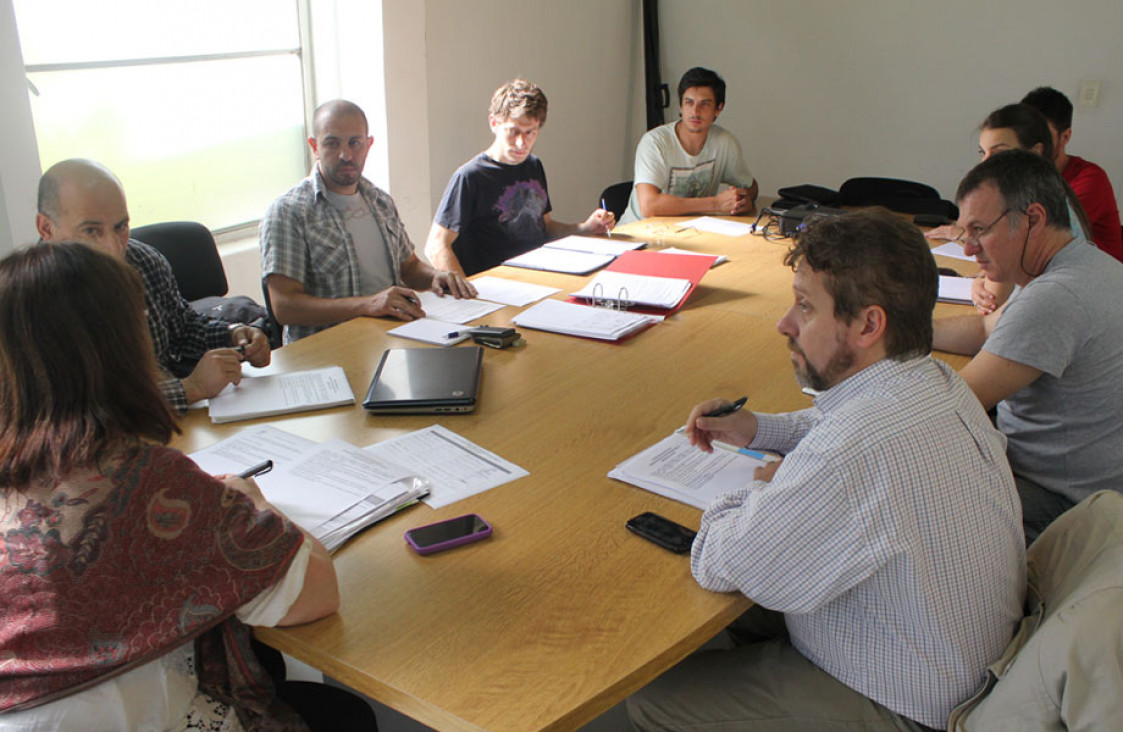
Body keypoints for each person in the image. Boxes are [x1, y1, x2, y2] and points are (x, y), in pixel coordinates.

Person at [627, 208, 1025, 731]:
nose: (784, 324)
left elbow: (720, 560)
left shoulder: (851, 452)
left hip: (909, 706)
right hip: (955, 654)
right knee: (747, 611)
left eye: (805, 307)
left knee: (653, 697)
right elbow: (840, 426)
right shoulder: (936, 382)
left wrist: (764, 490)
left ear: (868, 324)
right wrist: (760, 430)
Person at [0, 242, 375, 730]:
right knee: (344, 715)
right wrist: (250, 500)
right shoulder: (154, 487)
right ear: (120, 352)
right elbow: (315, 595)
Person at [932, 150, 1123, 542]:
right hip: (1081, 480)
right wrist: (903, 331)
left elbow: (948, 409)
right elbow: (988, 329)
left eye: (980, 230)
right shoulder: (1082, 264)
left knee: (900, 501)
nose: (968, 249)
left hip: (1061, 503)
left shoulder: (1056, 297)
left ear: (1033, 219)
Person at [35, 159, 271, 414]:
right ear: (46, 228)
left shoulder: (143, 260)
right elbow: (81, 409)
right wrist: (190, 388)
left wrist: (235, 335)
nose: (114, 248)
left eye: (120, 227)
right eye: (91, 231)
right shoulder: (28, 300)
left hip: (176, 425)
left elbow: (182, 330)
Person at [261, 99, 475, 343]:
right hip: (327, 350)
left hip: (394, 337)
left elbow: (408, 267)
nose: (346, 155)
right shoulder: (288, 212)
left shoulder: (380, 201)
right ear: (314, 146)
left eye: (355, 143)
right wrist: (367, 305)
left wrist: (435, 276)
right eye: (332, 143)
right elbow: (285, 307)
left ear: (368, 144)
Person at [424, 78, 615, 276]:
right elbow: (436, 246)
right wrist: (466, 293)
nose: (521, 142)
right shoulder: (470, 177)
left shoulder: (533, 165)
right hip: (495, 285)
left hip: (538, 275)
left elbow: (545, 228)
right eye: (513, 132)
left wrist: (586, 227)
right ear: (494, 123)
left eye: (530, 132)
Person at [926, 103, 1093, 314]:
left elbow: (991, 304)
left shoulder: (1025, 208)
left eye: (999, 153)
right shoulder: (1055, 193)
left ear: (1035, 152)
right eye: (982, 152)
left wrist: (986, 284)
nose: (985, 164)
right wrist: (982, 278)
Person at [619, 67, 758, 224]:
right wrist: (716, 203)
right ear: (680, 105)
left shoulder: (724, 142)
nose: (695, 112)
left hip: (689, 234)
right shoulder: (654, 142)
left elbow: (751, 186)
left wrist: (743, 200)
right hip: (638, 235)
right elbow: (648, 206)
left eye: (704, 104)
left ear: (718, 109)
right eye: (689, 102)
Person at [1023, 85, 1122, 261]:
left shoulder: (1090, 179)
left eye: (1043, 136)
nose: (1033, 145)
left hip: (1097, 279)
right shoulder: (1025, 174)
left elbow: (1040, 235)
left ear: (1065, 137)